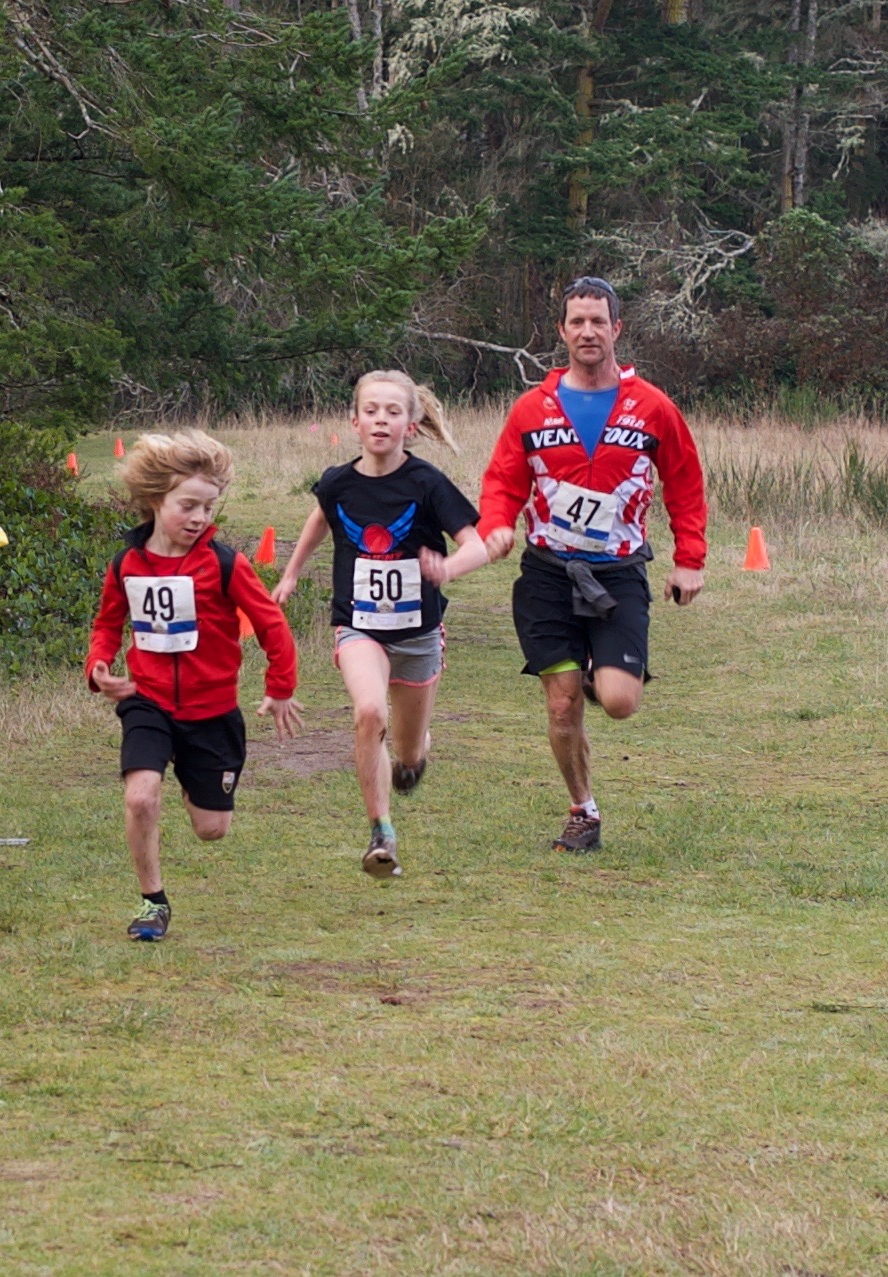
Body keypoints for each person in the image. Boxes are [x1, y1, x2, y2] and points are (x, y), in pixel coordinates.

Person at [476, 278, 707, 853]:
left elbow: (684, 482)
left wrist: (689, 560)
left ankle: (594, 671)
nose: (587, 332)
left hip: (618, 573)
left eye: (597, 322)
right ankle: (583, 809)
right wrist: (495, 525)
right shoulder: (533, 408)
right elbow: (503, 481)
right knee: (561, 706)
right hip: (549, 573)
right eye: (576, 322)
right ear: (562, 331)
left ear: (616, 330)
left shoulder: (652, 407)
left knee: (622, 702)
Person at [86, 430, 303, 941]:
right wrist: (98, 666)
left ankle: (190, 774)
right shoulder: (126, 565)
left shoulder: (225, 564)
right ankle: (152, 902)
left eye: (208, 507)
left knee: (211, 829)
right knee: (140, 797)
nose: (200, 518)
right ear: (155, 500)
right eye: (188, 505)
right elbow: (106, 625)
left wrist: (281, 687)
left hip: (212, 713)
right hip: (148, 702)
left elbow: (271, 623)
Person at [272, 371, 487, 878]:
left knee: (408, 755)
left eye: (393, 412)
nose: (381, 420)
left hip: (417, 632)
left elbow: (475, 544)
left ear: (411, 424)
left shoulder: (427, 482)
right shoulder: (337, 481)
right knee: (369, 713)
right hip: (359, 626)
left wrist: (448, 567)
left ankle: (413, 758)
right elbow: (321, 517)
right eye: (371, 411)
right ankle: (380, 832)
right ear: (354, 422)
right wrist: (291, 573)